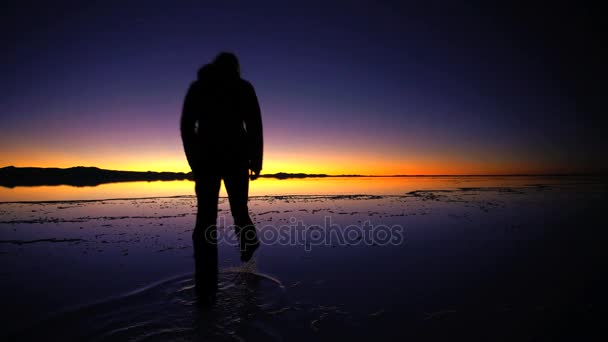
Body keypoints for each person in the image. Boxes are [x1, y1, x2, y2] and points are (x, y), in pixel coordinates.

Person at [181, 52, 263, 262]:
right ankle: (246, 243)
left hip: (212, 158)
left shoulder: (200, 87)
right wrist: (256, 159)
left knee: (209, 214)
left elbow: (187, 127)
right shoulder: (241, 87)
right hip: (227, 157)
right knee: (235, 209)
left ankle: (206, 266)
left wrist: (193, 158)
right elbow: (254, 126)